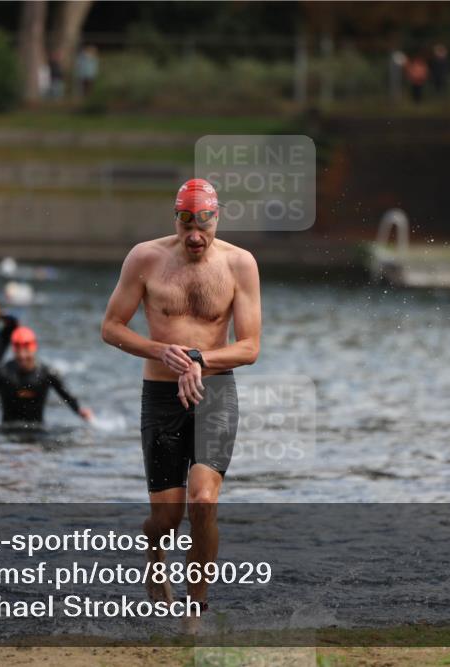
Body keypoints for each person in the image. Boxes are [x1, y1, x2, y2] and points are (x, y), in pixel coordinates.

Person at [101, 178, 261, 626]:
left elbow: (249, 347)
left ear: (217, 218)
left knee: (203, 500)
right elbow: (111, 327)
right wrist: (161, 351)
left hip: (215, 391)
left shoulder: (240, 265)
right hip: (161, 396)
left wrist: (198, 359)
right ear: (175, 218)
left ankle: (196, 609)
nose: (194, 235)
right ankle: (155, 551)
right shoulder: (145, 258)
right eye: (185, 222)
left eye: (203, 223)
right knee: (167, 518)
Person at [0, 326, 93, 428]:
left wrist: (80, 411)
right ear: (13, 350)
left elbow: (67, 396)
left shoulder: (47, 373)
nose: (22, 355)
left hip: (38, 431)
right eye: (18, 349)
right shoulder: (1, 372)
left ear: (34, 348)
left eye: (26, 349)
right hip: (7, 432)